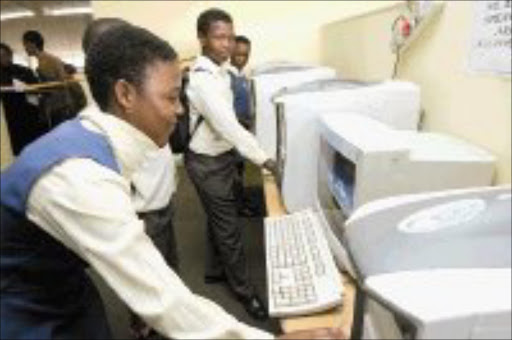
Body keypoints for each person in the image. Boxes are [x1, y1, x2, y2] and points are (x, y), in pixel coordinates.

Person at [81, 18, 180, 339]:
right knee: (149, 296)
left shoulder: (141, 99)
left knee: (168, 282)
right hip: (142, 215)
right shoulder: (97, 128)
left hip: (161, 205)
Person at [184, 8, 277, 321]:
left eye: (230, 37)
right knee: (229, 229)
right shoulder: (202, 79)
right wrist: (266, 160)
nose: (227, 44)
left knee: (218, 219)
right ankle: (245, 292)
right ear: (202, 39)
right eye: (219, 37)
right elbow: (228, 125)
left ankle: (214, 270)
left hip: (221, 158)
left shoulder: (223, 72)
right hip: (207, 163)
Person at [22, 30, 74, 128]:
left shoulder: (48, 61)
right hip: (57, 108)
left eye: (25, 44)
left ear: (32, 44)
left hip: (60, 108)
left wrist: (36, 89)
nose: (24, 48)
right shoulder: (45, 61)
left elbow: (61, 85)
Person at [0, 42, 44, 155]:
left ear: (10, 55)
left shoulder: (24, 71)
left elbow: (38, 90)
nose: (3, 59)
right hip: (9, 122)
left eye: (5, 55)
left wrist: (24, 87)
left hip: (29, 117)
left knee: (35, 149)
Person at [229, 35, 256, 217]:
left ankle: (241, 201)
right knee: (233, 173)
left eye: (245, 55)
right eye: (237, 54)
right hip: (232, 135)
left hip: (242, 134)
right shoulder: (228, 78)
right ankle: (238, 207)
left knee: (239, 170)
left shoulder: (241, 76)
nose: (241, 58)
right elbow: (227, 114)